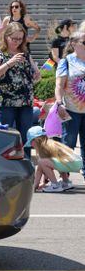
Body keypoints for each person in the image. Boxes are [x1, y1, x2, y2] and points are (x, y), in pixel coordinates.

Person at [0, 23, 40, 159]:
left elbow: (35, 75)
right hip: (6, 101)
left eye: (20, 39)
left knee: (26, 137)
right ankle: (3, 168)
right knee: (5, 137)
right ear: (6, 37)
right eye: (14, 39)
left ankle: (26, 167)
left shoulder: (25, 54)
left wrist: (36, 74)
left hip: (25, 102)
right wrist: (9, 63)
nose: (17, 42)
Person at [55, 30, 85, 176]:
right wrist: (59, 103)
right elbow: (59, 85)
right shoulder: (66, 61)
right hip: (71, 110)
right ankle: (64, 178)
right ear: (73, 44)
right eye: (84, 42)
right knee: (68, 145)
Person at [28, 126, 82, 192]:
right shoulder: (50, 143)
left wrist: (34, 187)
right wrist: (42, 183)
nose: (31, 145)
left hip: (72, 162)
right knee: (57, 160)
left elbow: (40, 169)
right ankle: (66, 182)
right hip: (77, 161)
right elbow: (43, 169)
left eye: (31, 141)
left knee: (42, 161)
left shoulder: (44, 147)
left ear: (36, 140)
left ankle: (55, 185)